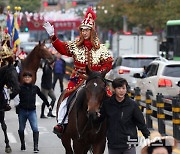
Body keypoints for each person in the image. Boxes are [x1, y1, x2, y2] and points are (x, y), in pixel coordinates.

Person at [43, 7, 113, 136]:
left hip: (96, 79)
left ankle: (114, 126)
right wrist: (53, 36)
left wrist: (101, 73)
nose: (84, 32)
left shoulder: (101, 48)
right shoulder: (75, 45)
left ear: (92, 31)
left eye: (87, 30)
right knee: (65, 98)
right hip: (78, 78)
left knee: (111, 98)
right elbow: (62, 49)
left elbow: (109, 62)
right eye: (82, 30)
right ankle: (61, 123)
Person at [98, 77, 150, 154]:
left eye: (123, 88)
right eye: (119, 88)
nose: (121, 91)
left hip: (129, 144)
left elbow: (141, 123)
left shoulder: (132, 105)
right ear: (114, 89)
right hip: (114, 144)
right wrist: (95, 116)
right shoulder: (107, 104)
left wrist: (147, 137)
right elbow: (99, 120)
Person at [10, 71, 51, 153]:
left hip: (32, 111)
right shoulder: (20, 87)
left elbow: (42, 96)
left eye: (29, 77)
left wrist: (48, 104)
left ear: (31, 78)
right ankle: (22, 144)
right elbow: (12, 96)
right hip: (22, 111)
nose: (27, 78)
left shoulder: (35, 88)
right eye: (25, 77)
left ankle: (36, 146)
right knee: (21, 129)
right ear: (23, 78)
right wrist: (13, 91)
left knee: (35, 128)